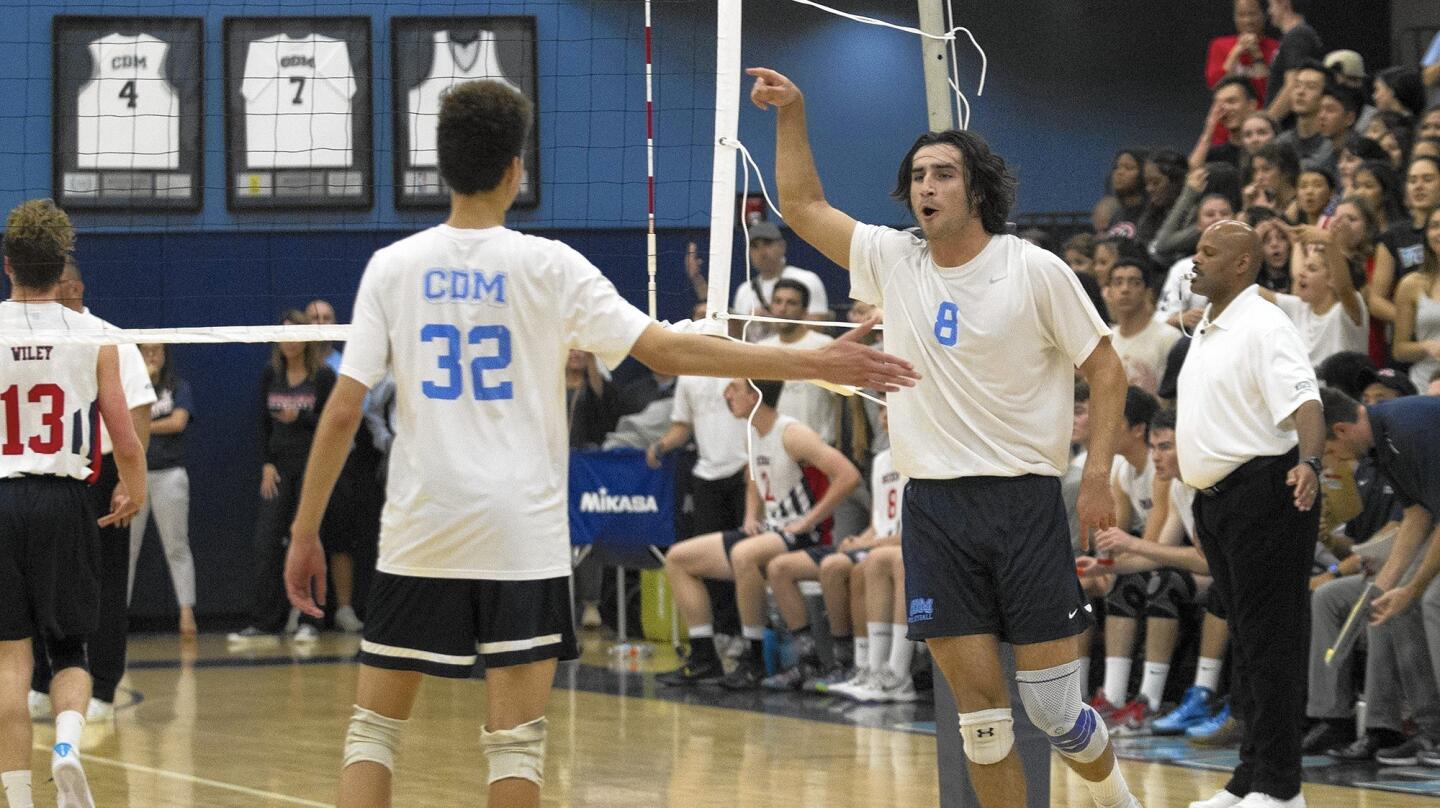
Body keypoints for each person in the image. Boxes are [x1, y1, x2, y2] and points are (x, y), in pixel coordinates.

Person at [279, 79, 916, 808]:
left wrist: (305, 533)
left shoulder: (393, 268)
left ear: (441, 164)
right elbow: (672, 353)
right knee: (514, 744)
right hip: (523, 533)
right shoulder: (550, 266)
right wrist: (811, 361)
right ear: (516, 169)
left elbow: (339, 415)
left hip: (424, 529)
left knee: (372, 733)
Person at [751, 66, 1138, 808]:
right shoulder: (896, 260)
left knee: (1055, 711)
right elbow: (800, 205)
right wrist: (793, 111)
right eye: (917, 175)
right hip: (935, 511)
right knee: (983, 724)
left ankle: (1116, 798)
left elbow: (1108, 367)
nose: (926, 187)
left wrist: (1095, 479)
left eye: (943, 174)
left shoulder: (1034, 271)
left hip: (1024, 504)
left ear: (977, 190)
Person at [1, 198, 146, 808]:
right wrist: (133, 488)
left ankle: (17, 794)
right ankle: (64, 748)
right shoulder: (96, 337)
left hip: (2, 497)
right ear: (63, 266)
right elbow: (125, 435)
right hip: (65, 500)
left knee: (10, 659)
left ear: (8, 264)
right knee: (70, 650)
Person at [1178, 219, 1325, 808]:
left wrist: (1311, 462)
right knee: (1246, 641)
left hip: (1265, 494)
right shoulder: (1210, 328)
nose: (1195, 259)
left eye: (1209, 252)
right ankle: (1249, 778)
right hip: (1218, 505)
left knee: (1273, 644)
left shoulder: (1264, 323)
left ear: (1243, 263)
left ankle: (1281, 787)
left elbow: (1306, 399)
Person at [657, 378, 859, 689]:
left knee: (743, 555)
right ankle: (704, 657)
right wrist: (751, 515)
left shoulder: (792, 433)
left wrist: (809, 520)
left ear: (756, 395)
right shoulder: (751, 434)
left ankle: (752, 658)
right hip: (771, 529)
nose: (726, 393)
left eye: (734, 388)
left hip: (802, 534)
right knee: (678, 558)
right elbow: (754, 480)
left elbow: (848, 475)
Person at [29, 256, 155, 725]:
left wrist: (127, 477)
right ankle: (42, 680)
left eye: (56, 283)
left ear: (76, 287)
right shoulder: (32, 336)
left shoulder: (108, 337)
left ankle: (103, 685)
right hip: (51, 472)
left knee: (104, 584)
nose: (47, 292)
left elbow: (138, 408)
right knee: (41, 581)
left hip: (101, 471)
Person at [229, 311, 336, 643]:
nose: (289, 340)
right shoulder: (270, 374)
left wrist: (301, 417)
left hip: (311, 467)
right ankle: (264, 622)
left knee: (310, 539)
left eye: (295, 333)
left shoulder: (323, 377)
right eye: (283, 334)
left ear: (307, 338)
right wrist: (266, 463)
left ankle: (311, 620)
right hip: (279, 469)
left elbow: (333, 425)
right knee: (266, 542)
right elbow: (262, 423)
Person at [128, 343, 198, 639]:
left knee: (177, 546)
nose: (153, 357)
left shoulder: (177, 386)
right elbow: (121, 424)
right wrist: (148, 424)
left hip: (169, 474)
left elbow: (178, 422)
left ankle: (186, 613)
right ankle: (118, 618)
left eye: (158, 351)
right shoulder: (129, 386)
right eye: (146, 351)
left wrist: (143, 426)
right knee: (127, 550)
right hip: (134, 476)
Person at [758, 279, 840, 444]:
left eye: (791, 303)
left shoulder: (824, 346)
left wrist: (839, 446)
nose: (782, 308)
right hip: (774, 448)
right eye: (778, 301)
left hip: (818, 449)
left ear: (804, 311)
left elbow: (839, 401)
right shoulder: (760, 350)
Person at [729, 221, 830, 339]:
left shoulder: (807, 280)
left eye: (767, 244)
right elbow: (737, 338)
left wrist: (774, 322)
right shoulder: (744, 290)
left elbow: (818, 327)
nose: (762, 252)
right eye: (754, 246)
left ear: (782, 246)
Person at [1106, 260, 1181, 394]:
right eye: (1118, 283)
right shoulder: (1106, 341)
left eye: (1135, 283)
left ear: (1147, 292)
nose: (1125, 289)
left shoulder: (1169, 337)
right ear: (1109, 292)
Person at [1391, 206, 1440, 391]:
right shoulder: (1411, 284)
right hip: (1423, 386)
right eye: (1434, 226)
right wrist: (1427, 346)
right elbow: (1399, 350)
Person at [1205, 0, 1280, 115]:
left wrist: (1257, 56)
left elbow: (1268, 94)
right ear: (1235, 17)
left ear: (1263, 15)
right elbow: (1216, 86)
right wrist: (1237, 51)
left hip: (1258, 123)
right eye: (1241, 15)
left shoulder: (1275, 48)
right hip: (1226, 123)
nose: (1247, 21)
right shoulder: (1219, 45)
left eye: (1252, 14)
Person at [1262, 0, 1324, 122]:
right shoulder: (1293, 37)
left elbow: (1292, 86)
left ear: (1284, 3)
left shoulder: (1297, 36)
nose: (1269, 11)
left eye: (1271, 5)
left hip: (1287, 127)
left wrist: (1267, 124)